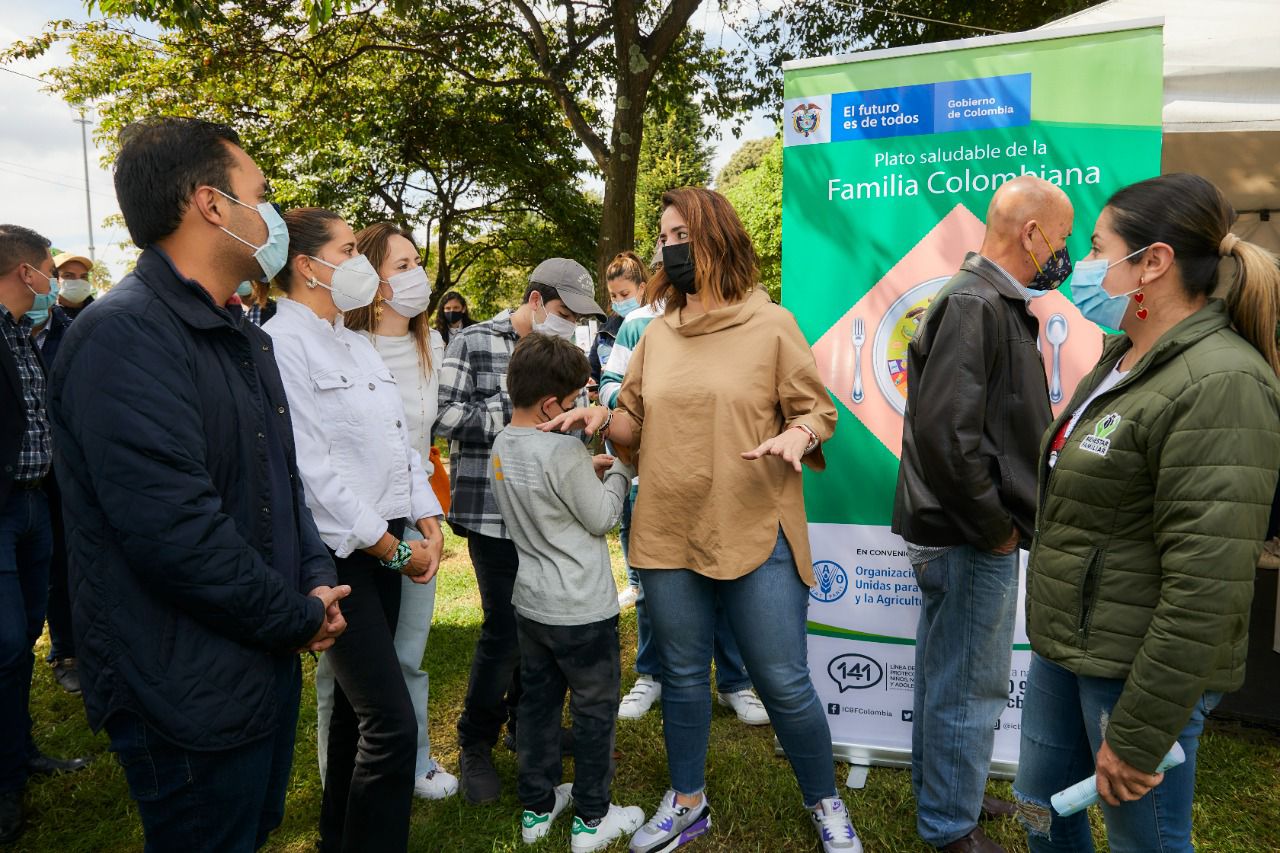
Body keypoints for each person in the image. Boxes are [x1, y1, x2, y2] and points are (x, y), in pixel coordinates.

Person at [45, 117, 348, 852]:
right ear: (211, 205)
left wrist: (314, 577)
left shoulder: (237, 330)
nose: (271, 214)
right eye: (261, 195)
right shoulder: (124, 336)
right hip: (181, 687)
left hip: (254, 660)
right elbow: (175, 533)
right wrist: (297, 616)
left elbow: (282, 473)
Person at [543, 187, 859, 853]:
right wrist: (602, 419)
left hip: (755, 522)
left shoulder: (771, 324)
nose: (666, 248)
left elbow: (816, 410)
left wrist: (796, 438)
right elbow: (632, 423)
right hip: (667, 524)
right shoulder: (656, 333)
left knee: (782, 678)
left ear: (715, 237)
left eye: (678, 233)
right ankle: (688, 801)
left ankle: (825, 801)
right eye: (662, 236)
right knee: (683, 675)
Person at [1013, 173, 1280, 853]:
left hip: (1136, 669)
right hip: (1070, 648)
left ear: (1152, 263)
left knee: (1146, 843)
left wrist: (1138, 734)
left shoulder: (1221, 383)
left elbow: (1207, 585)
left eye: (1099, 249)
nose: (1084, 268)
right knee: (1041, 812)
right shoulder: (1124, 358)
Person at [892, 175, 1073, 853]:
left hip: (963, 531)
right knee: (968, 685)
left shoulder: (985, 301)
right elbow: (947, 436)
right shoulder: (974, 304)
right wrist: (996, 527)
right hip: (969, 535)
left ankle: (951, 796)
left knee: (954, 678)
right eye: (1062, 235)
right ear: (1031, 234)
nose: (1067, 251)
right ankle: (950, 827)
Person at [262, 207, 444, 853]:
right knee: (392, 723)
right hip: (337, 556)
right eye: (348, 249)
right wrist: (394, 547)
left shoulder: (355, 339)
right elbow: (312, 473)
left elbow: (398, 446)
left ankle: (337, 837)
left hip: (389, 541)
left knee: (355, 716)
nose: (360, 262)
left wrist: (426, 514)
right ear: (308, 266)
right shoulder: (281, 343)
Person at [435, 257, 605, 804]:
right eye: (563, 312)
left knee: (541, 631)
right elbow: (443, 419)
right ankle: (475, 742)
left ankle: (529, 729)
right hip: (492, 512)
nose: (570, 325)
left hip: (551, 516)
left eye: (580, 318)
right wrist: (520, 405)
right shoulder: (474, 342)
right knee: (504, 633)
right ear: (535, 300)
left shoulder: (566, 355)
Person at [599, 256, 770, 727]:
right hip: (656, 479)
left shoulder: (745, 318)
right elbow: (612, 386)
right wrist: (645, 405)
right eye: (666, 241)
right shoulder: (638, 324)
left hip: (726, 478)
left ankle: (735, 682)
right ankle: (650, 676)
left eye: (684, 241)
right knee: (655, 588)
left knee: (728, 579)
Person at [491, 332, 645, 851]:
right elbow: (601, 516)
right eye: (580, 397)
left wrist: (586, 470)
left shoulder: (502, 443)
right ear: (553, 405)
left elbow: (544, 491)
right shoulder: (563, 450)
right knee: (593, 711)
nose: (584, 405)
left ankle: (537, 808)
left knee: (536, 706)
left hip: (531, 605)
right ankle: (592, 818)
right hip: (581, 609)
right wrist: (620, 468)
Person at [325, 221, 458, 800]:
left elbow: (422, 442)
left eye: (415, 262)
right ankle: (342, 775)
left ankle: (417, 758)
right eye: (401, 265)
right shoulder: (346, 346)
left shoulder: (432, 346)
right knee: (345, 664)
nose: (416, 275)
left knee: (410, 649)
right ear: (372, 280)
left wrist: (430, 515)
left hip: (418, 514)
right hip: (357, 524)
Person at [0, 225, 90, 844]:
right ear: (27, 272)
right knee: (5, 640)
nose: (54, 281)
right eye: (48, 270)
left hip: (36, 505)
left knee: (22, 635)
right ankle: (4, 780)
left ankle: (17, 751)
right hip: (5, 508)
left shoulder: (18, 333)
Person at [35, 251, 95, 696]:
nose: (74, 283)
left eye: (81, 277)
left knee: (81, 557)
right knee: (56, 562)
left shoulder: (79, 331)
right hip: (37, 474)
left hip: (74, 467)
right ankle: (66, 650)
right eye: (66, 276)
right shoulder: (23, 332)